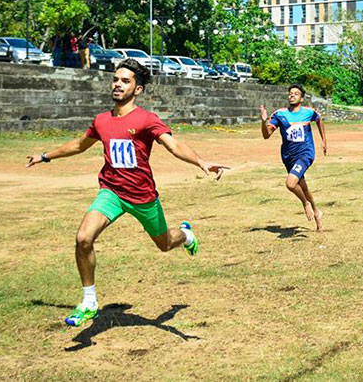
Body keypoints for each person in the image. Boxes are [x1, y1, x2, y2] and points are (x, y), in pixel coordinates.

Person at [26, 58, 229, 327]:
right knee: (83, 238)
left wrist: (201, 162)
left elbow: (173, 144)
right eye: (115, 79)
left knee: (166, 243)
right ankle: (89, 302)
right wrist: (45, 156)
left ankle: (187, 234)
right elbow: (78, 145)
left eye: (125, 81)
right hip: (111, 191)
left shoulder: (146, 120)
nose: (118, 84)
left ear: (138, 89)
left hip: (143, 196)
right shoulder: (101, 121)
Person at [259, 84, 327, 231]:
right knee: (302, 185)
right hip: (288, 156)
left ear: (301, 98)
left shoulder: (309, 112)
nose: (292, 95)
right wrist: (264, 121)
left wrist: (323, 140)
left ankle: (305, 203)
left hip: (305, 154)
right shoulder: (280, 114)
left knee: (290, 184)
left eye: (296, 93)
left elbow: (319, 119)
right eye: (290, 93)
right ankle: (317, 212)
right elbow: (266, 135)